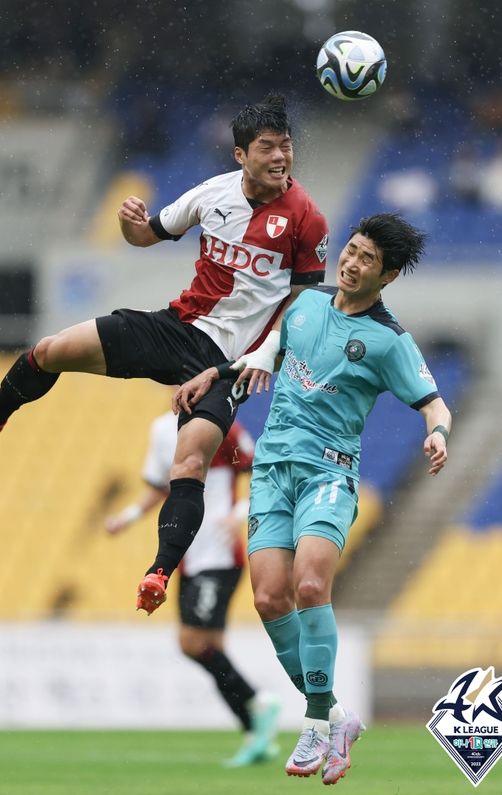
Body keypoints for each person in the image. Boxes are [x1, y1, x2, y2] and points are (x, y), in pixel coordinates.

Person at [0, 93, 328, 613]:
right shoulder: (213, 194)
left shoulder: (307, 219)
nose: (280, 157)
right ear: (241, 154)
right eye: (267, 147)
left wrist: (259, 359)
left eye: (285, 146)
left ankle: (158, 572)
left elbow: (306, 302)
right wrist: (132, 222)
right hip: (174, 328)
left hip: (227, 365)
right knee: (50, 349)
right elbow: (147, 235)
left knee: (191, 460)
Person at [173, 212, 452, 784]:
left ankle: (315, 722)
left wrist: (437, 433)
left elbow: (434, 402)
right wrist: (214, 374)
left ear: (388, 276)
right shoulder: (303, 305)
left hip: (329, 472)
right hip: (273, 473)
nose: (351, 263)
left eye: (367, 260)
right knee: (270, 599)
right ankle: (338, 717)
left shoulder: (389, 340)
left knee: (307, 586)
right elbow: (261, 357)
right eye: (350, 251)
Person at [105, 411, 280, 766]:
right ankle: (255, 728)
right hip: (186, 555)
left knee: (195, 642)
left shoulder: (220, 424)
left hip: (218, 552)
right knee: (204, 646)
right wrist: (128, 517)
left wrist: (243, 510)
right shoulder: (161, 430)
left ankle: (257, 704)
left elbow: (263, 470)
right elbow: (160, 486)